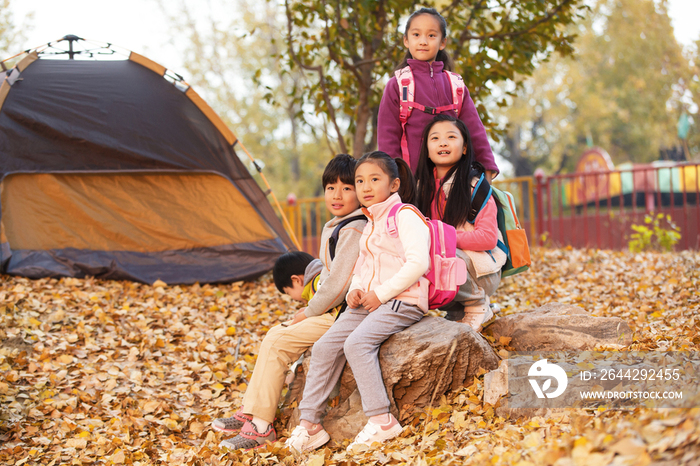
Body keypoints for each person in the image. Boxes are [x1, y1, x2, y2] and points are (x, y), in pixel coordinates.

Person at [215, 154, 366, 450]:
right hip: (332, 311)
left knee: (278, 341)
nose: (337, 194)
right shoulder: (336, 225)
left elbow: (339, 283)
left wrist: (307, 312)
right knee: (274, 335)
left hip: (343, 314)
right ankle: (252, 412)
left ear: (360, 191)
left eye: (347, 187)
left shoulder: (354, 228)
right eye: (330, 187)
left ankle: (260, 428)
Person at [285, 151, 431, 453]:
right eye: (360, 180)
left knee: (356, 344)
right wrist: (358, 289)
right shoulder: (370, 221)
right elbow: (364, 268)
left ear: (394, 185)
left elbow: (418, 263)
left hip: (403, 300)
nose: (365, 187)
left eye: (374, 180)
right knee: (325, 345)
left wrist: (381, 293)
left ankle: (382, 421)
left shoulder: (405, 215)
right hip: (369, 300)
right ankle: (310, 425)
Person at [377, 7, 499, 181]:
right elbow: (387, 138)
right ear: (406, 40)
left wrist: (487, 167)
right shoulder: (397, 85)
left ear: (442, 42)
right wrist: (394, 179)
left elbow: (475, 130)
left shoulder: (455, 85)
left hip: (455, 182)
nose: (423, 41)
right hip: (414, 182)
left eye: (431, 35)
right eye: (416, 35)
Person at [415, 114, 506, 331]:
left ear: (465, 148)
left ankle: (477, 303)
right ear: (427, 149)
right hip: (449, 269)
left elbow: (487, 238)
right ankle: (457, 311)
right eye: (435, 138)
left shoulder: (475, 187)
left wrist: (442, 238)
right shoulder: (420, 189)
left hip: (481, 273)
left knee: (438, 256)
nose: (443, 142)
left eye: (451, 137)